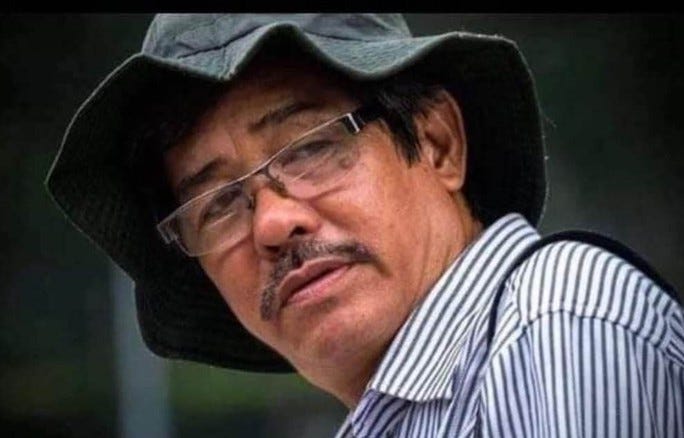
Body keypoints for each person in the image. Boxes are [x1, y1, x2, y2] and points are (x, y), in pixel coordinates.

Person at [46, 14, 684, 437]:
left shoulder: (553, 327)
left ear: (436, 143)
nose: (273, 223)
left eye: (310, 147)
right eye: (217, 204)